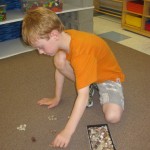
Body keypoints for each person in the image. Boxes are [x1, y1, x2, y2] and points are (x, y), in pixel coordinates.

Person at [22, 7, 125, 148]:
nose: (40, 52)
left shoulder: (82, 52)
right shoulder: (63, 37)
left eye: (41, 47)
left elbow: (81, 96)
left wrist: (67, 132)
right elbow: (59, 69)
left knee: (113, 116)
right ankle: (89, 85)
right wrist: (56, 97)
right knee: (59, 59)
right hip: (89, 70)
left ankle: (92, 86)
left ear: (53, 35)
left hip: (107, 77)